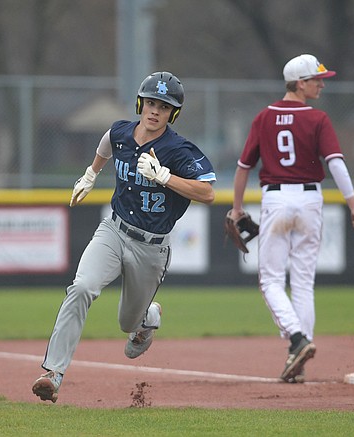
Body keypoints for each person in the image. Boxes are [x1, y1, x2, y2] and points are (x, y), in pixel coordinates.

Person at [32, 71, 216, 402]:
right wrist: (91, 173)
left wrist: (166, 177)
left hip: (152, 246)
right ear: (139, 103)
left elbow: (207, 193)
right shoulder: (120, 131)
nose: (155, 110)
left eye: (163, 105)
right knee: (81, 287)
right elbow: (107, 142)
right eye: (150, 102)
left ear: (173, 112)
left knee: (126, 323)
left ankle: (147, 318)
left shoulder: (178, 150)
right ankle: (53, 373)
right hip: (114, 230)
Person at [229, 54, 354, 383]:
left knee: (271, 282)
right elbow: (335, 163)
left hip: (276, 198)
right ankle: (299, 358)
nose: (322, 83)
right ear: (300, 83)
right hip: (310, 200)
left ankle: (297, 340)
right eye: (317, 79)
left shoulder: (264, 117)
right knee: (304, 283)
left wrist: (236, 209)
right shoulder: (318, 119)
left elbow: (243, 168)